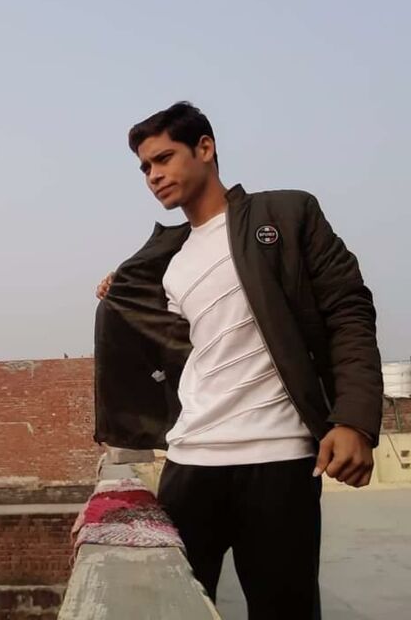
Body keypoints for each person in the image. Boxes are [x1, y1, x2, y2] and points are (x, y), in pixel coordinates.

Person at [93, 102, 382, 619]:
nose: (154, 175)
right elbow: (167, 347)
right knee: (168, 608)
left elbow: (349, 313)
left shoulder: (288, 215)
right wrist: (122, 290)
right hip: (190, 460)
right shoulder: (168, 262)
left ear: (205, 148)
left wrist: (354, 420)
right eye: (145, 167)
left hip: (279, 459)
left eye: (164, 158)